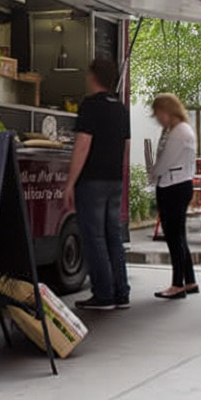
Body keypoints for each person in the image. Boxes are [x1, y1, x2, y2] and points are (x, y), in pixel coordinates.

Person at [63, 58, 131, 311]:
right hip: (114, 180)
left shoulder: (90, 105)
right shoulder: (121, 109)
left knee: (94, 237)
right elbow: (126, 147)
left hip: (92, 180)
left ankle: (103, 294)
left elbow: (82, 145)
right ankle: (121, 292)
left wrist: (70, 183)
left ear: (93, 77)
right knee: (113, 235)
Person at [148, 93, 199, 300]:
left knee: (173, 237)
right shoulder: (181, 129)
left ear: (166, 111)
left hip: (172, 185)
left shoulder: (178, 132)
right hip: (180, 184)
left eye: (158, 113)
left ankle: (178, 284)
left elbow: (164, 161)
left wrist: (152, 175)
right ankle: (190, 280)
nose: (157, 118)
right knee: (179, 236)